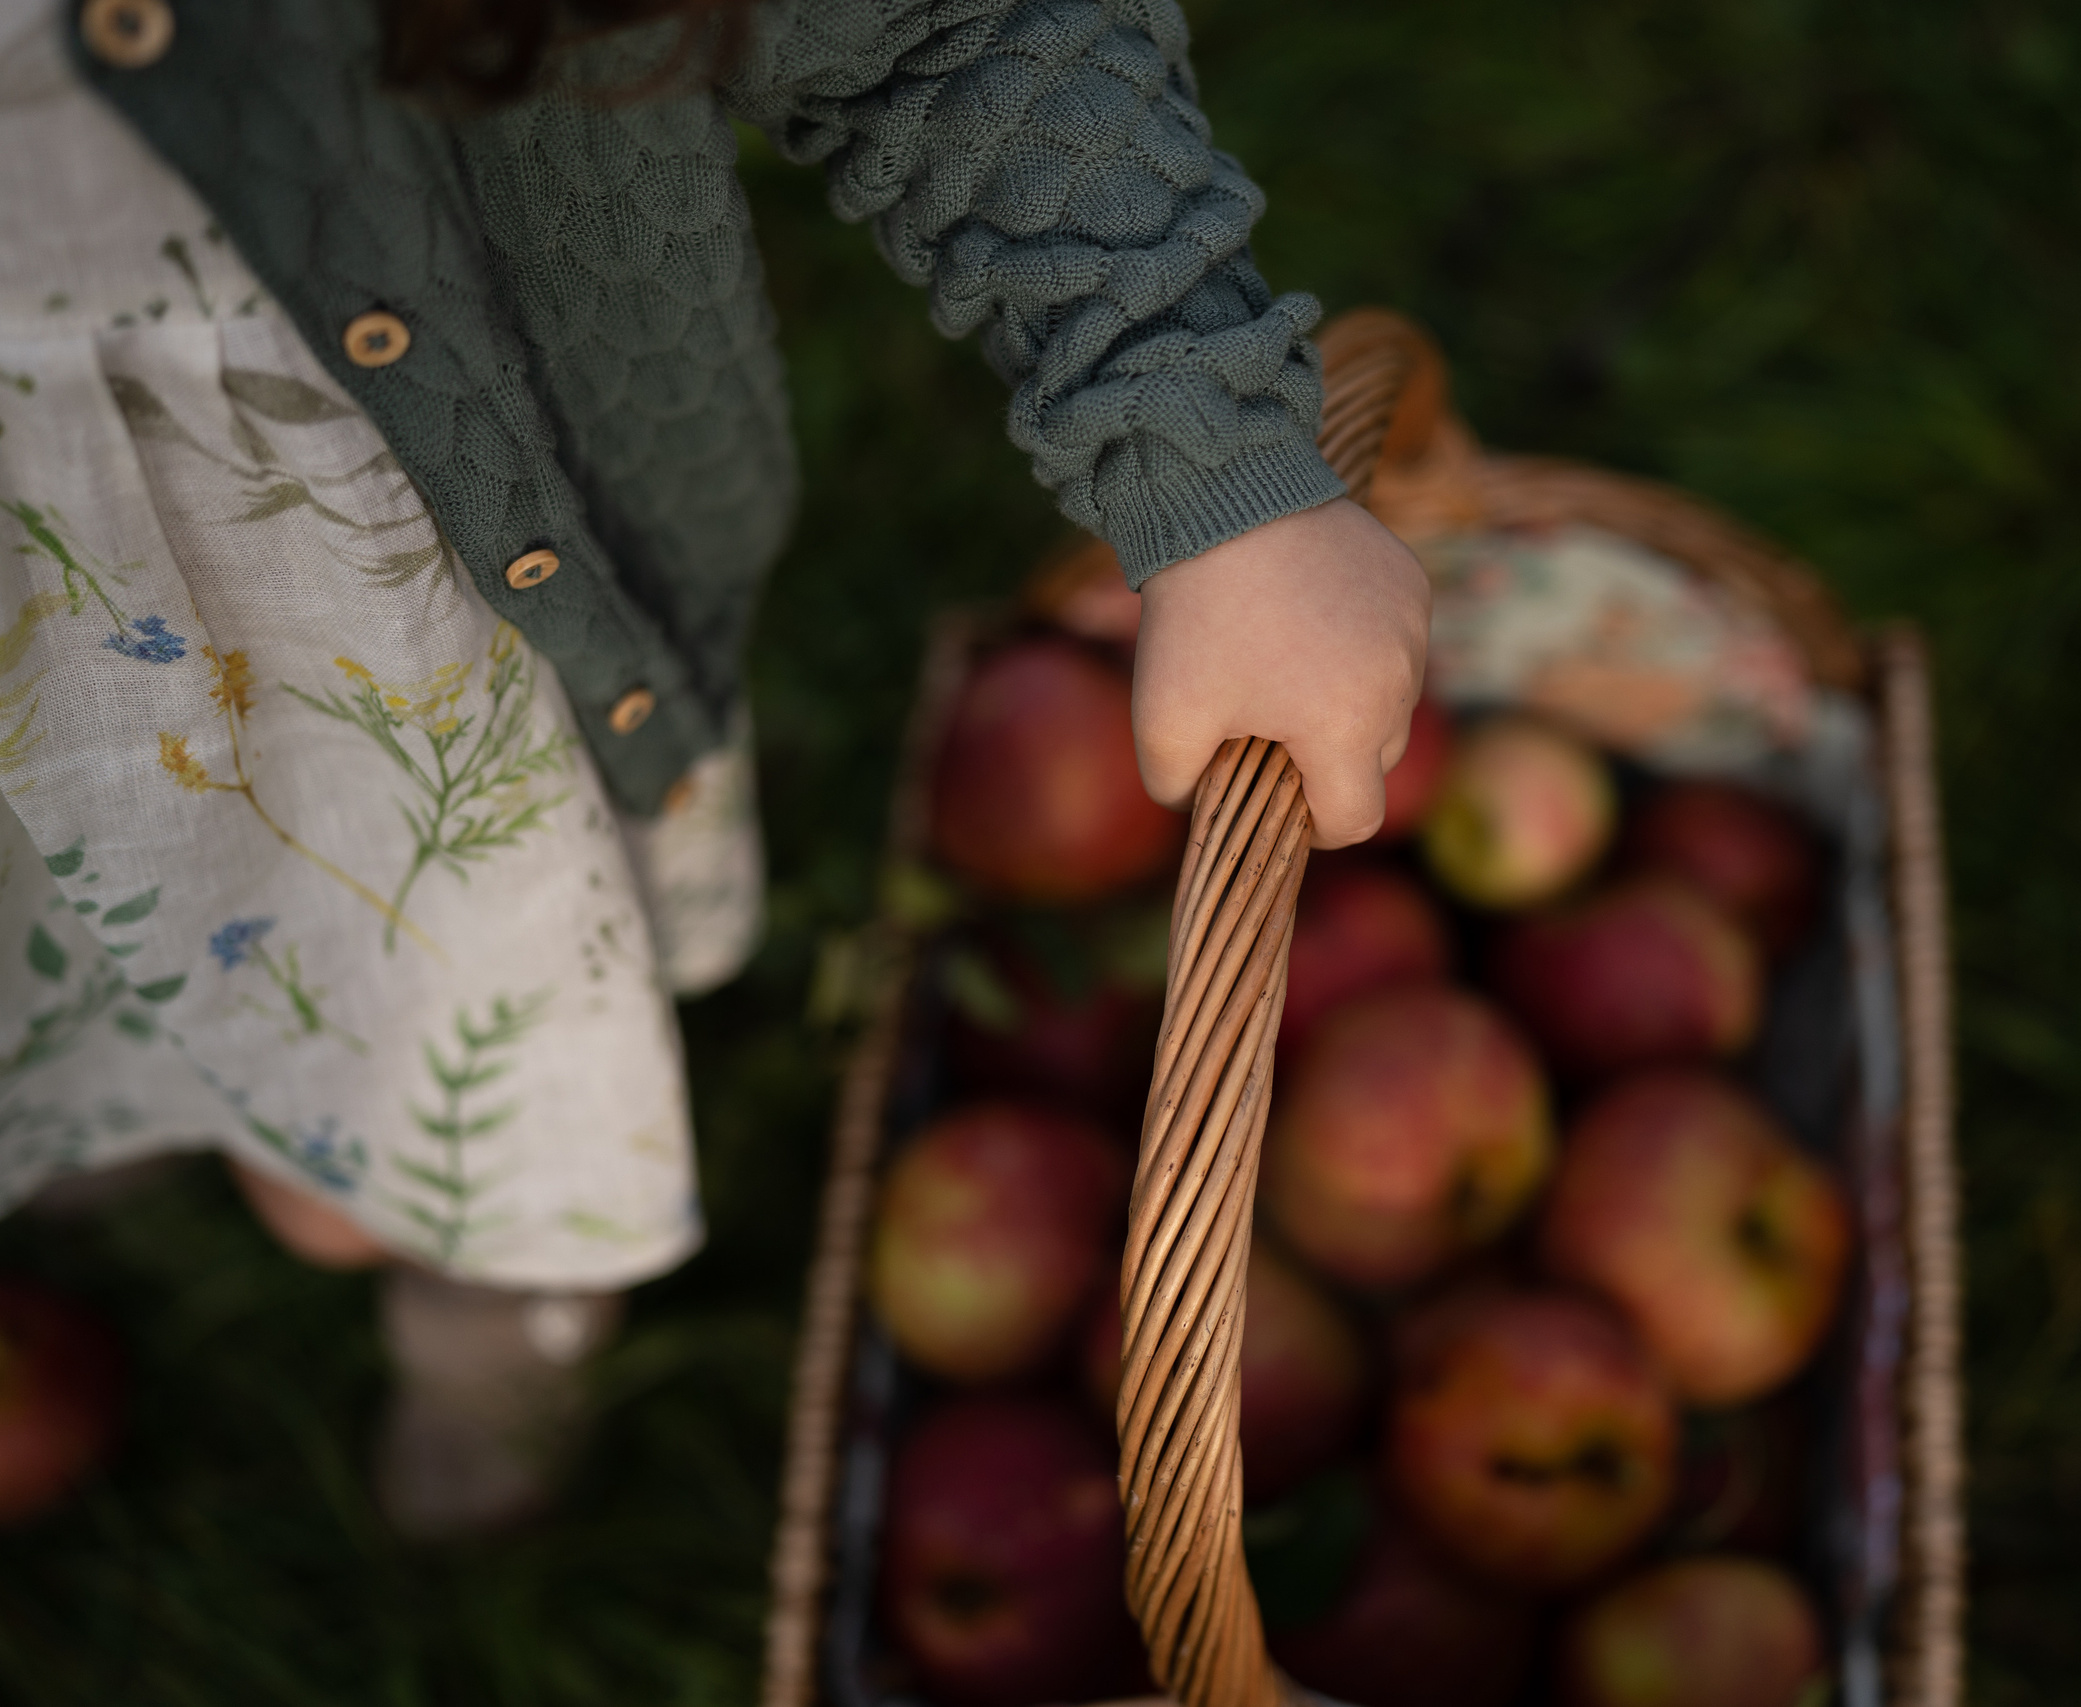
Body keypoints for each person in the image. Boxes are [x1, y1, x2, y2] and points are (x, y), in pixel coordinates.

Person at [0, 0, 1427, 1536]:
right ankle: (120, 1107)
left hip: (438, 647)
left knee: (473, 1060)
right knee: (77, 952)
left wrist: (1210, 459)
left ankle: (501, 1305)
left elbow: (953, 28)